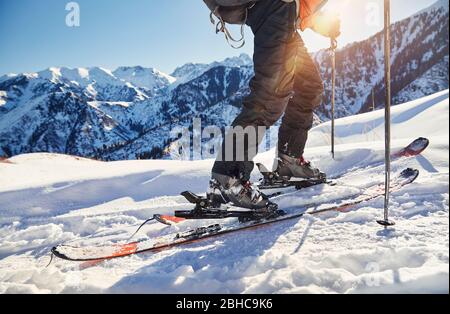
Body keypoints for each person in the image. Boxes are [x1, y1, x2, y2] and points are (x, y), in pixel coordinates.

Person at [204, 0, 341, 211]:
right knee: (269, 97)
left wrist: (321, 24)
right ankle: (228, 178)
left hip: (284, 15)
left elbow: (301, 6)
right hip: (274, 9)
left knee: (309, 87)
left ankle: (289, 160)